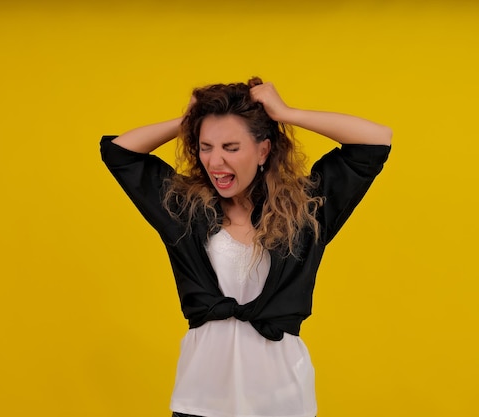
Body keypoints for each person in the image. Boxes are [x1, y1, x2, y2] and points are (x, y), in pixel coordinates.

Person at [100, 77, 392, 417]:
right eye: (205, 146)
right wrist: (188, 121)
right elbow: (119, 152)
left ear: (263, 150)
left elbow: (375, 141)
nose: (215, 161)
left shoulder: (304, 211)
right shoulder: (183, 210)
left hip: (282, 401)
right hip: (200, 399)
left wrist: (287, 113)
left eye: (231, 148)